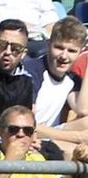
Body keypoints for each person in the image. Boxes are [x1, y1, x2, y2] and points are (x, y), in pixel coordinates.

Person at [30, 17, 88, 154]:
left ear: (81, 51)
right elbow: (26, 126)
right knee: (75, 153)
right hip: (28, 138)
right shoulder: (32, 72)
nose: (64, 56)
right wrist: (77, 137)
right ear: (48, 44)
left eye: (72, 51)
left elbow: (83, 110)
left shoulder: (72, 79)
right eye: (59, 47)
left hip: (51, 137)